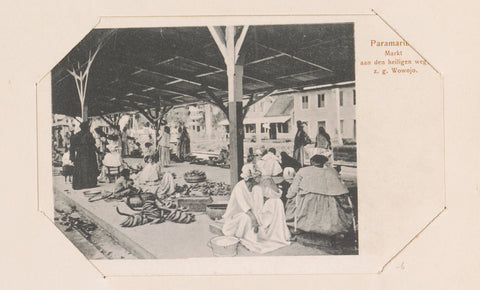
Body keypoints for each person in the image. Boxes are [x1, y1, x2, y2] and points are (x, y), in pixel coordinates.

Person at [222, 164, 291, 253]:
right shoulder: (239, 187)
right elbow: (245, 209)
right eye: (259, 176)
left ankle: (275, 234)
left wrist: (271, 183)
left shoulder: (257, 187)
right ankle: (250, 234)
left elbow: (276, 195)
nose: (261, 177)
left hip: (255, 215)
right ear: (253, 178)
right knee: (246, 218)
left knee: (276, 202)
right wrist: (255, 222)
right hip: (239, 216)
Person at [285, 155, 353, 236]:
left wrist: (289, 197)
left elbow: (294, 189)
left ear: (311, 162)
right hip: (328, 203)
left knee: (300, 202)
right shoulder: (332, 171)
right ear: (324, 162)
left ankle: (302, 226)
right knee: (334, 206)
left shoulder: (303, 171)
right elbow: (341, 191)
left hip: (307, 202)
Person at [69, 122, 99, 190]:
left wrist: (72, 158)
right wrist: (97, 151)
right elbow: (92, 145)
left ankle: (80, 184)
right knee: (89, 168)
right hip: (89, 155)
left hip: (80, 155)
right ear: (87, 127)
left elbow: (72, 147)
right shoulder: (88, 134)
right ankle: (89, 184)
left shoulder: (76, 135)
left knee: (80, 169)